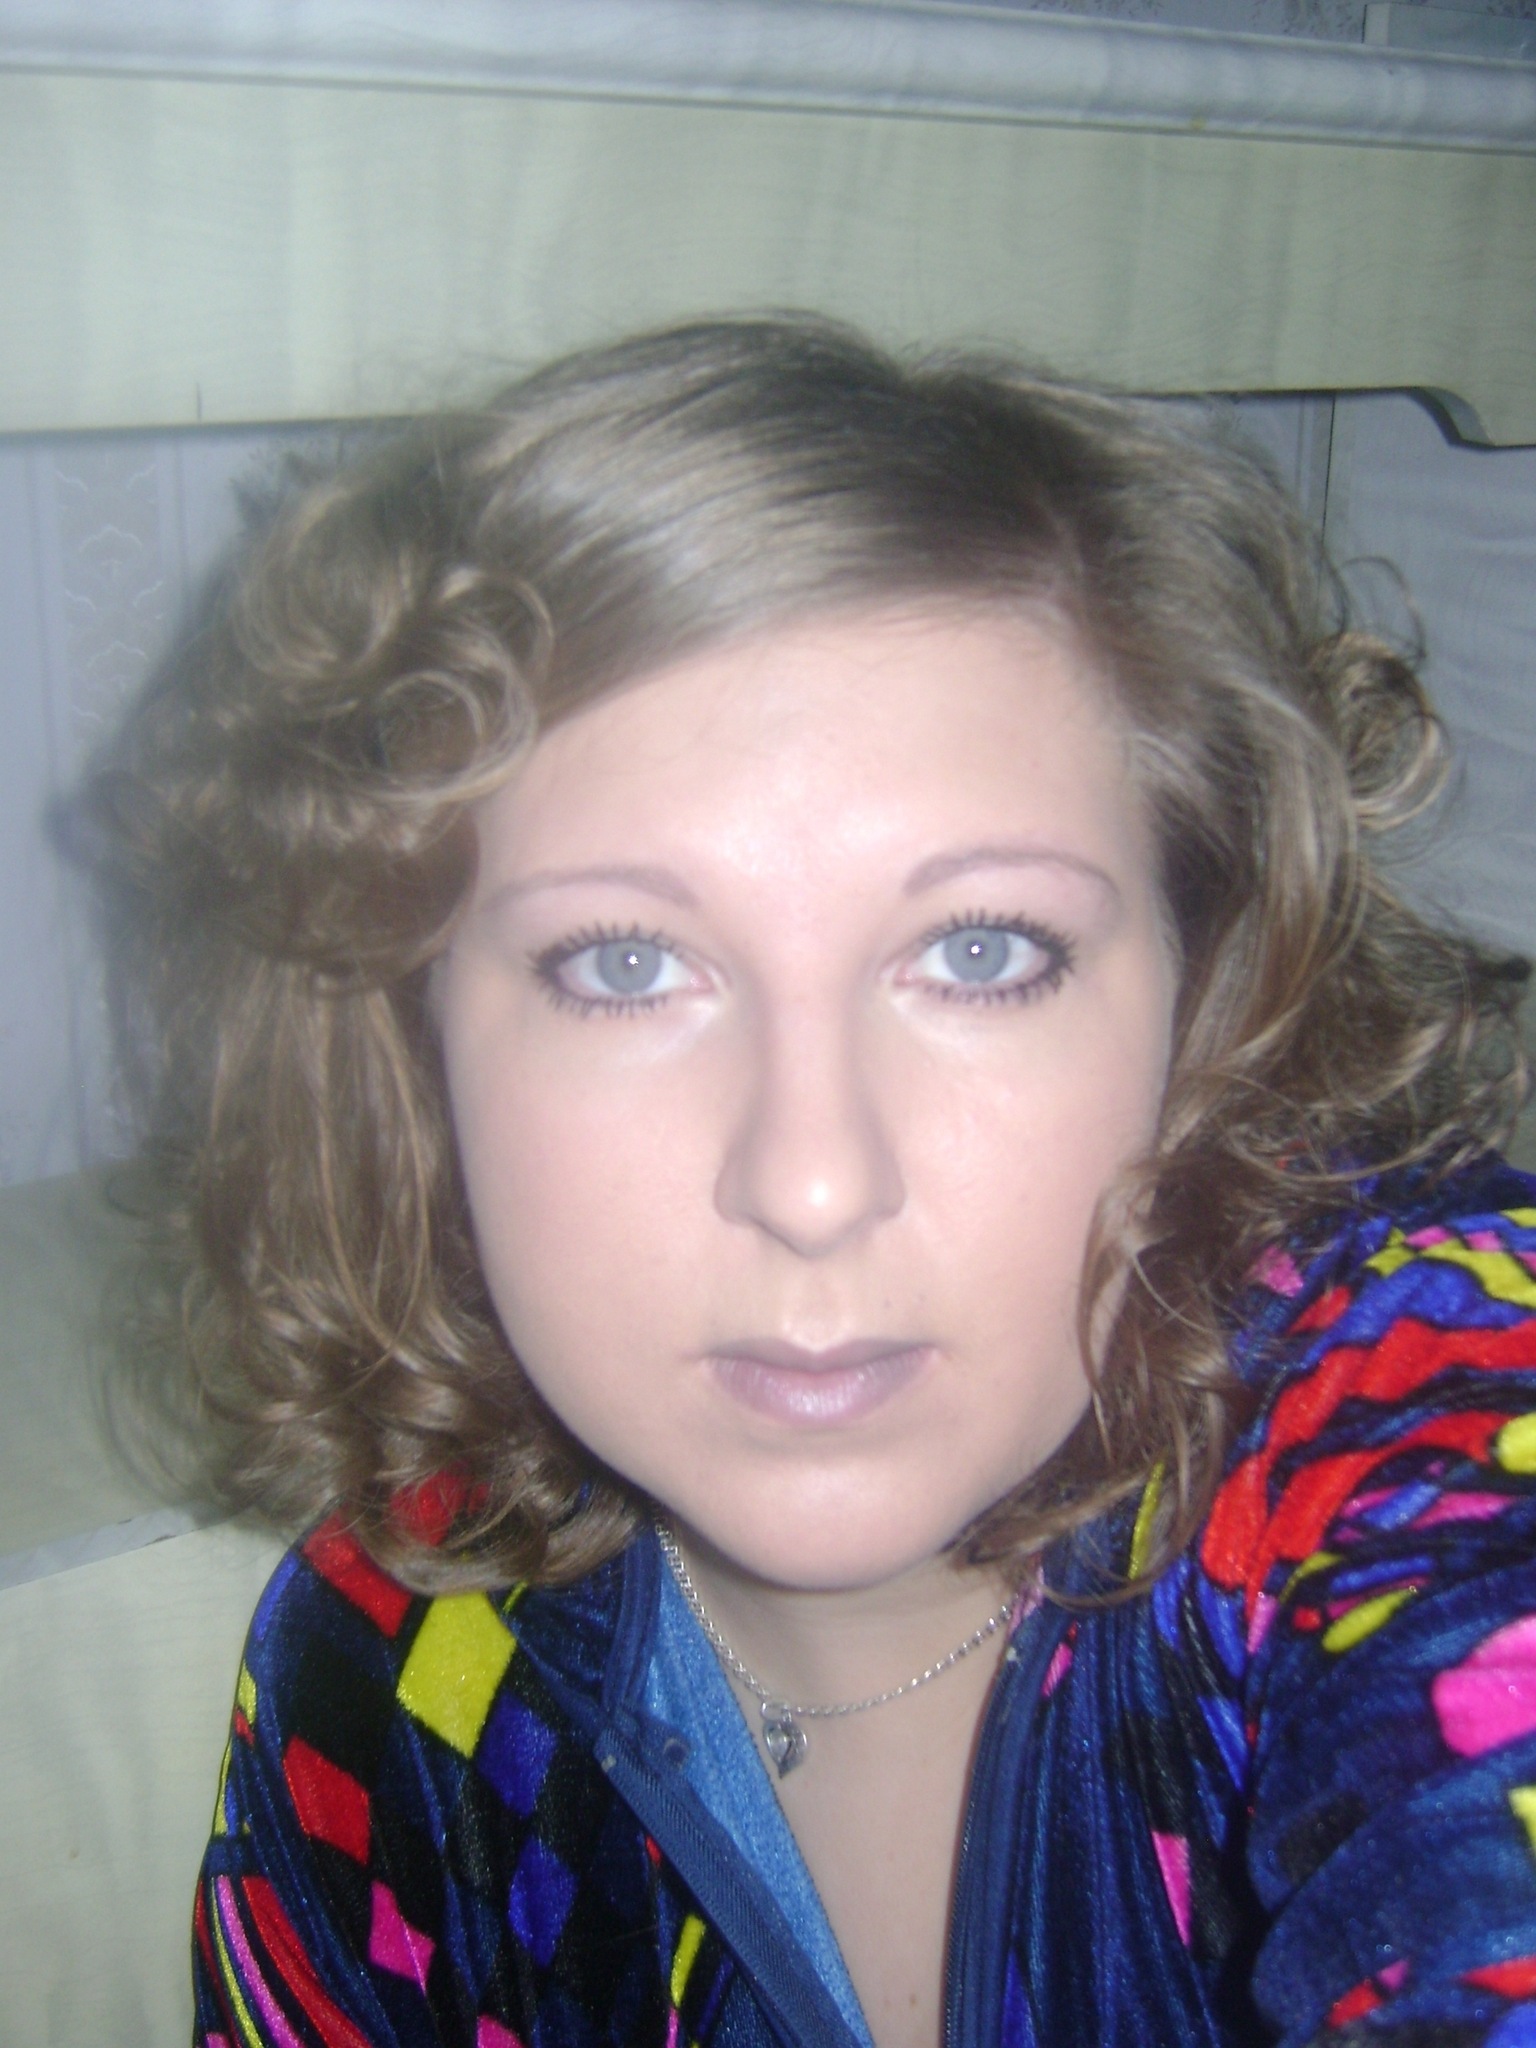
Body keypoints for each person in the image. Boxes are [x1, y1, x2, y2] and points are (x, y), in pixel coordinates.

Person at [83, 318, 1536, 2048]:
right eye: (625, 966)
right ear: (412, 1041)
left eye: (982, 951)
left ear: (1204, 994)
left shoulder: (1411, 1410)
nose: (814, 1183)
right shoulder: (393, 1677)